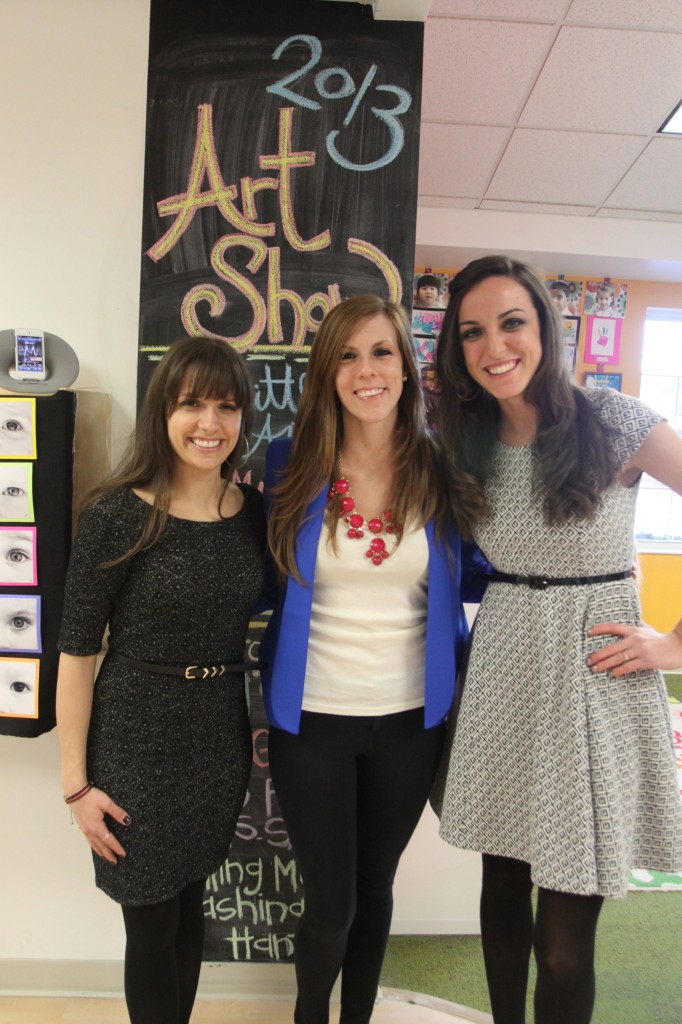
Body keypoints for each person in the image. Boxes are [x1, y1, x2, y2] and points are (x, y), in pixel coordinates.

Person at [434, 255, 682, 1024]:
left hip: (594, 671)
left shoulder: (614, 420)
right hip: (506, 661)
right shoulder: (464, 440)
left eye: (512, 322)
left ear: (545, 327)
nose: (494, 346)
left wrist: (677, 644)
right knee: (502, 890)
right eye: (473, 332)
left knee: (567, 942)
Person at [261, 294, 488, 1024]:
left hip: (410, 724)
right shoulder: (288, 465)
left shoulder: (443, 469)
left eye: (382, 352)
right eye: (348, 355)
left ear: (407, 366)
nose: (367, 371)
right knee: (330, 904)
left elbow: (489, 570)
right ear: (327, 373)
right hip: (311, 721)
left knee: (375, 888)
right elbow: (254, 576)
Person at [56, 337, 265, 1024]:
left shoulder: (252, 514)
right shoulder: (116, 514)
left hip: (217, 742)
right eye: (192, 404)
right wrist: (76, 785)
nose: (210, 423)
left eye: (226, 406)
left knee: (190, 905)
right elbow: (77, 654)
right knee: (149, 924)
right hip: (134, 747)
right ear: (163, 412)